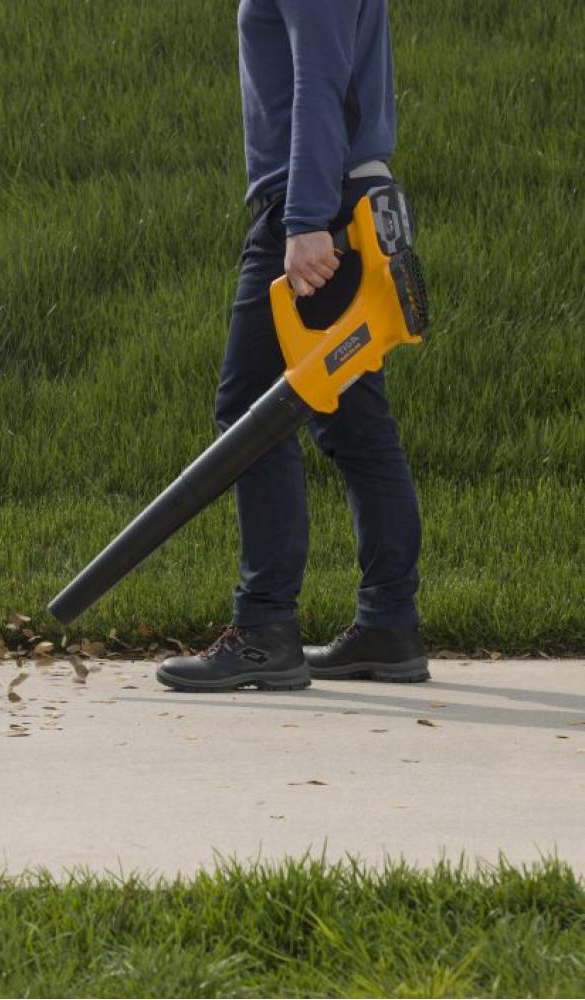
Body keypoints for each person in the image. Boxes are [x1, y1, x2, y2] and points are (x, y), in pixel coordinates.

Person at [157, 0, 428, 692]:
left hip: (316, 208)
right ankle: (388, 627)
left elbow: (320, 82)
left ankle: (264, 631)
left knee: (252, 414)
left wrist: (303, 220)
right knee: (353, 421)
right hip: (347, 197)